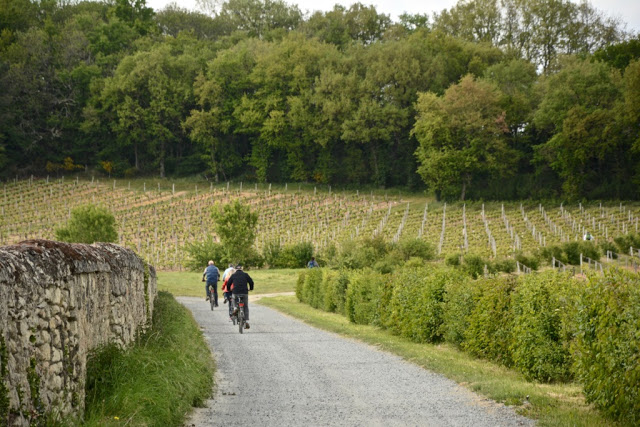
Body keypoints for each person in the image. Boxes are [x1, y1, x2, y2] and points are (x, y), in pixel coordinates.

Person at [227, 264, 254, 329]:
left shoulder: (233, 275)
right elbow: (251, 282)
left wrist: (229, 289)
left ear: (236, 269)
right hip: (244, 292)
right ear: (241, 269)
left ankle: (235, 307)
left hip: (235, 292)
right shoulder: (245, 275)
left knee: (233, 299)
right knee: (245, 306)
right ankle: (246, 320)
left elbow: (228, 283)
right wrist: (251, 288)